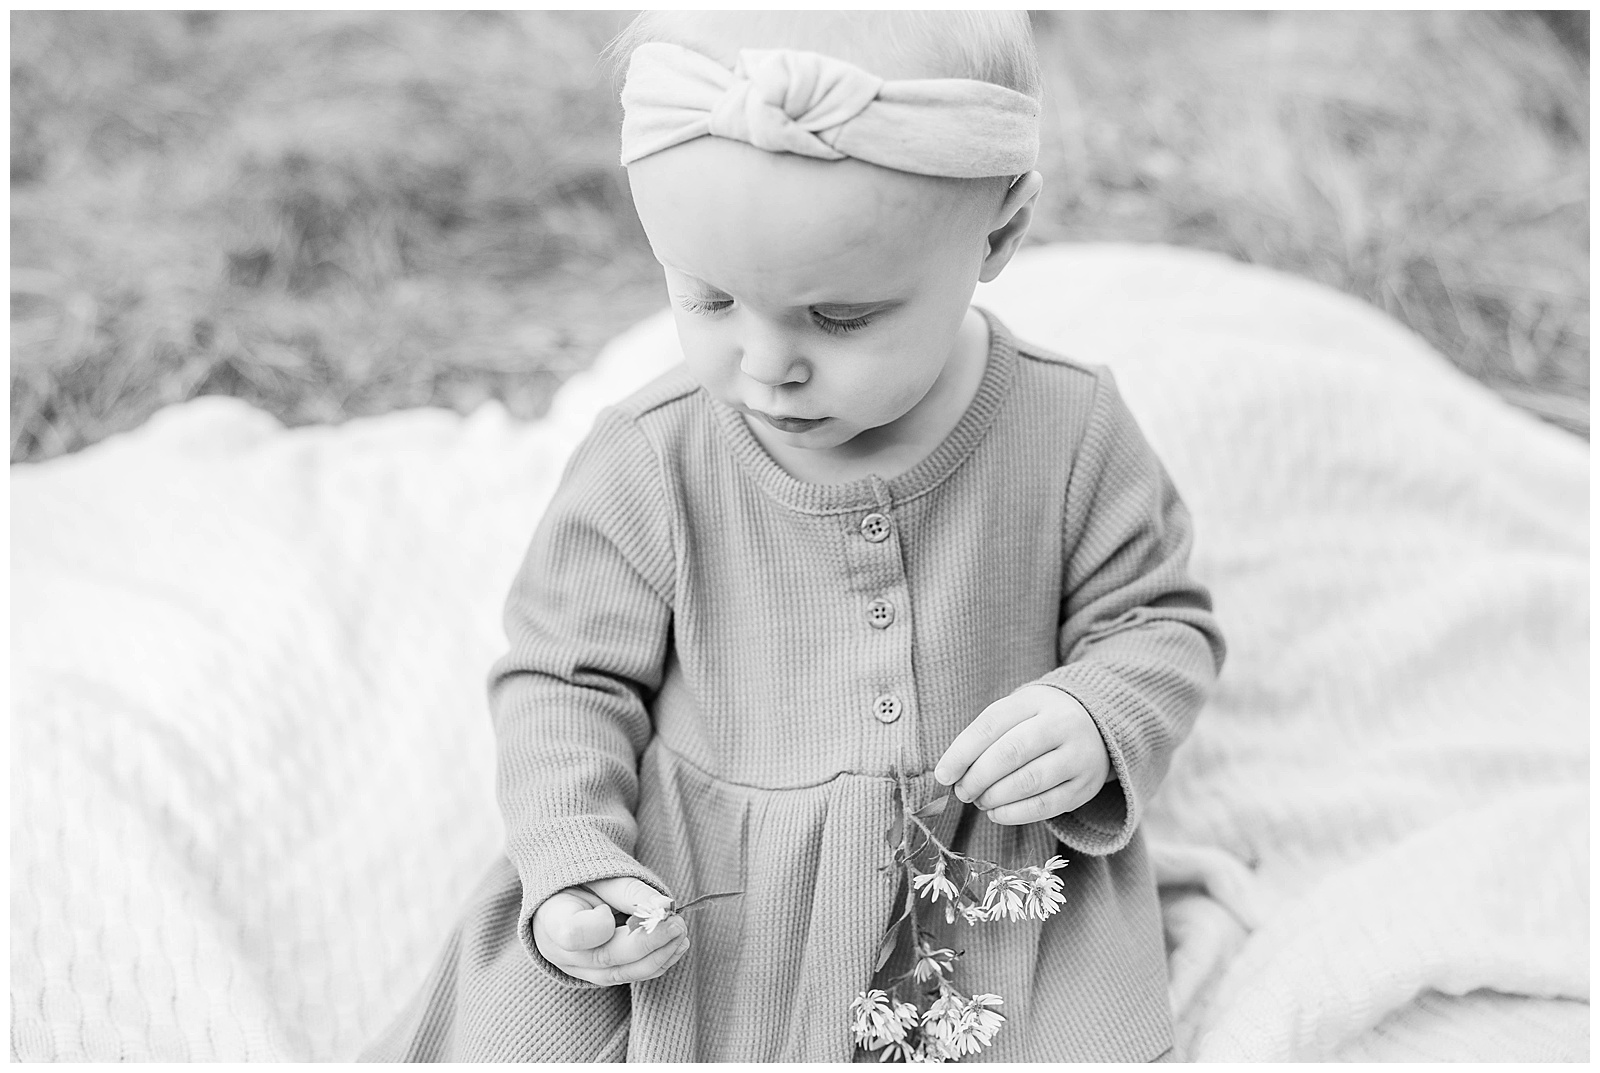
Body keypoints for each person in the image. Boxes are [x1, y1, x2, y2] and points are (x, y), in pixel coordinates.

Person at [363, 10, 1224, 1063]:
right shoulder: (654, 454)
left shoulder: (1069, 426)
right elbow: (562, 676)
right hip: (706, 886)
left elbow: (1157, 620)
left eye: (841, 318)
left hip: (978, 881)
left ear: (996, 236)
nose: (767, 365)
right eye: (708, 298)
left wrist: (1095, 713)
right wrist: (575, 854)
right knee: (545, 1022)